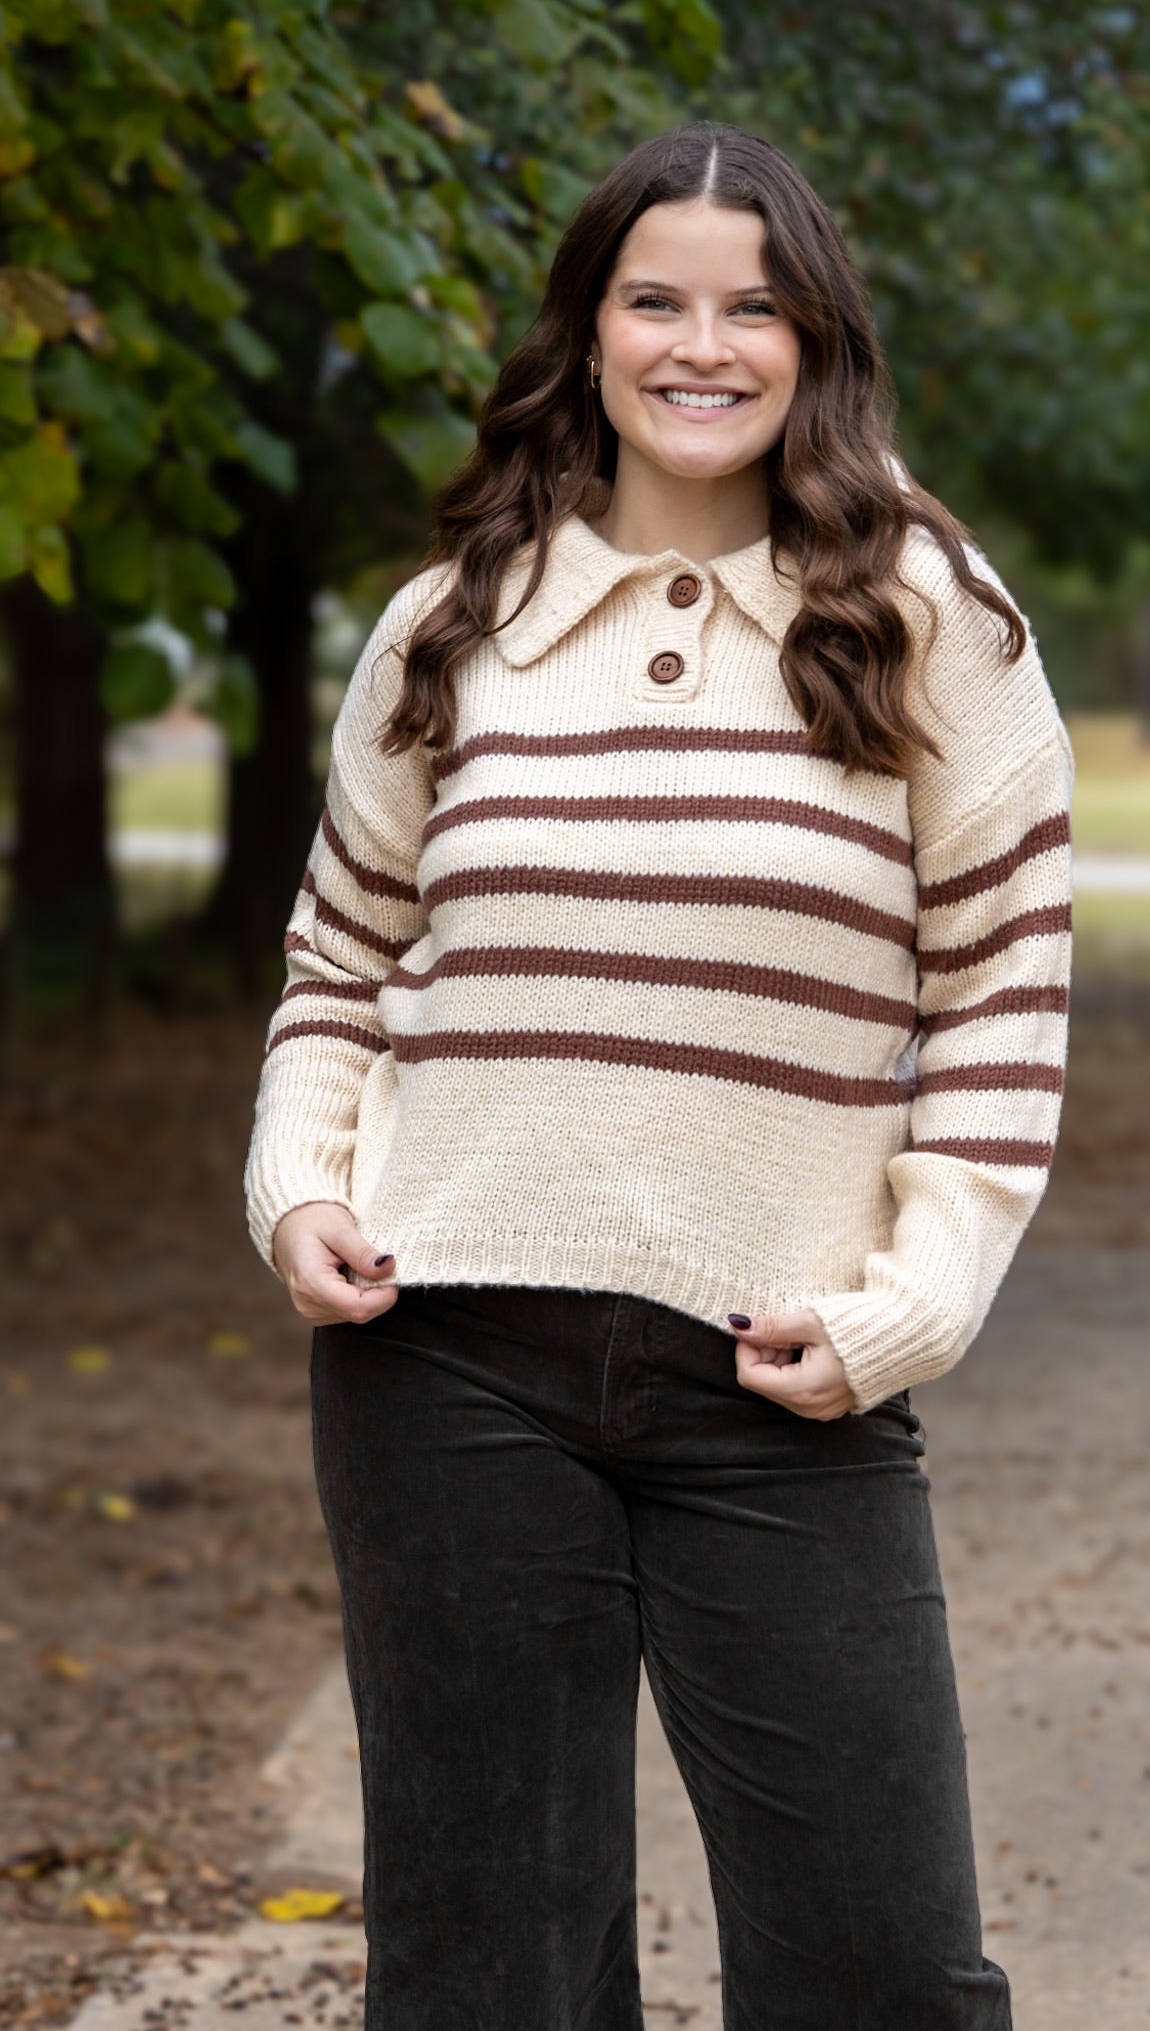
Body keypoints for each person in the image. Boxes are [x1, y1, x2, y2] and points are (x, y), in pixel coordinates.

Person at [244, 119, 1073, 2031]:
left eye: (753, 306)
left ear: (816, 343)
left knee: (882, 1974)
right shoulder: (449, 626)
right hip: (441, 1349)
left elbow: (999, 1004)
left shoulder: (928, 617)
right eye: (656, 300)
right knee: (484, 1982)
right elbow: (337, 958)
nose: (703, 346)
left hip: (781, 1371)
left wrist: (920, 1297)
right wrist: (299, 1184)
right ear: (591, 330)